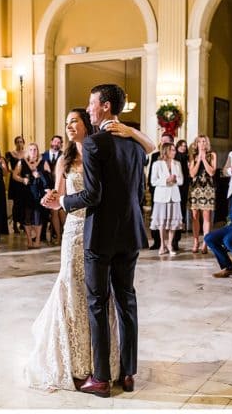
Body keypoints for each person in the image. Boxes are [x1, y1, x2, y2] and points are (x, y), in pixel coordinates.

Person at [42, 84, 148, 397]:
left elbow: (93, 195)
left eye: (91, 104)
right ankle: (128, 373)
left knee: (98, 304)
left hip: (101, 235)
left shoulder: (94, 144)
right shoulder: (135, 144)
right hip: (131, 232)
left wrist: (61, 204)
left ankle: (101, 378)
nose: (89, 109)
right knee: (127, 301)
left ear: (103, 106)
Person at [149, 142, 183, 255]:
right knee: (162, 222)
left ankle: (170, 244)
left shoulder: (177, 164)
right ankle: (162, 245)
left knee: (173, 222)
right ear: (166, 151)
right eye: (172, 150)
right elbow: (153, 181)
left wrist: (175, 180)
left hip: (174, 196)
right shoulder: (157, 164)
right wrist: (166, 180)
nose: (174, 152)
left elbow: (181, 180)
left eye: (174, 150)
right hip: (161, 197)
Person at [188, 135, 217, 253]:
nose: (202, 143)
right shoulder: (192, 156)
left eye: (204, 141)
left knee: (206, 217)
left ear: (207, 143)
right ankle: (196, 241)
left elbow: (211, 172)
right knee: (195, 216)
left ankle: (206, 242)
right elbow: (192, 174)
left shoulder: (212, 155)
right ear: (196, 144)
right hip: (195, 189)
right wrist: (198, 159)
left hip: (208, 189)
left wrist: (204, 159)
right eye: (199, 142)